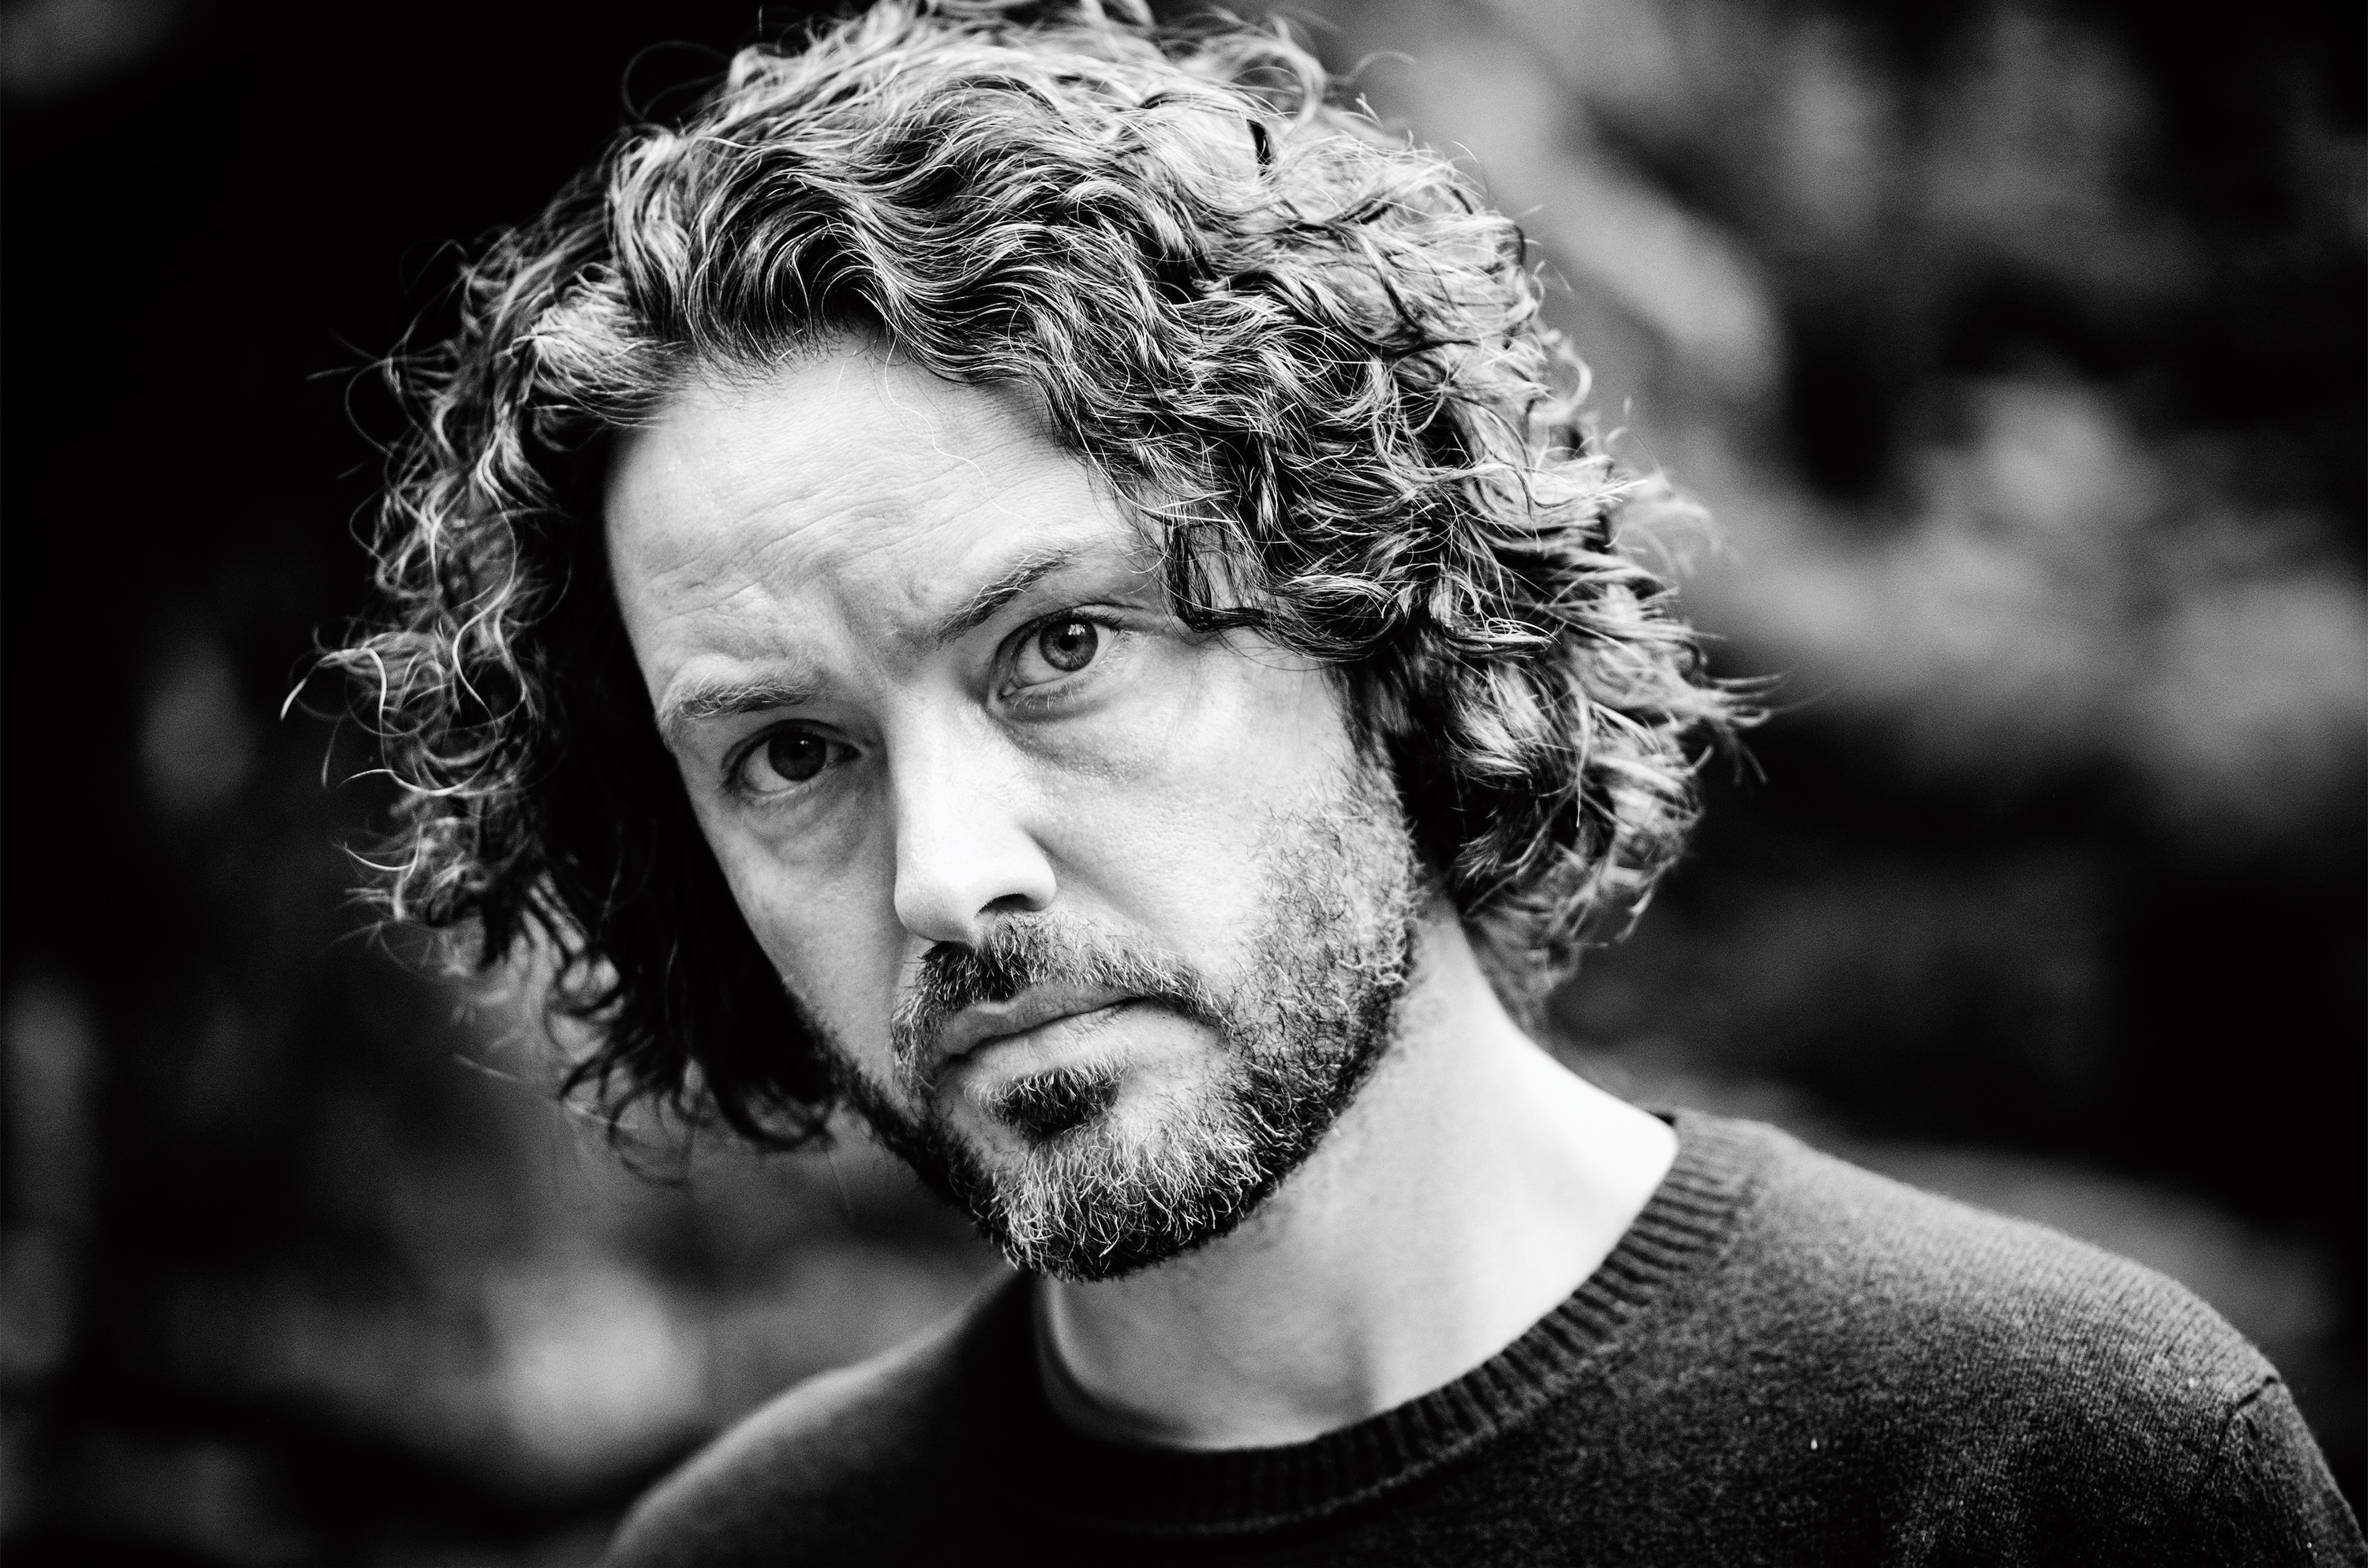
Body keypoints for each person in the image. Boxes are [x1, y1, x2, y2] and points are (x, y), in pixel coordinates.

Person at [327, 2, 2363, 1562]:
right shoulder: (749, 1555)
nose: (947, 876)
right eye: (790, 753)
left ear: (1379, 617)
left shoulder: (2050, 1472)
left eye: (1061, 648)